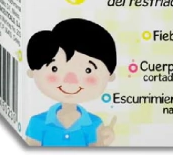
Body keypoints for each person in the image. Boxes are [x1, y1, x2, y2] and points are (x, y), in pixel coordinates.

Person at [26, 18, 117, 147]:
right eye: (54, 68)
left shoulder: (94, 124)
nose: (70, 81)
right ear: (33, 72)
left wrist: (104, 142)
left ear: (109, 76)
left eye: (88, 70)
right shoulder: (37, 122)